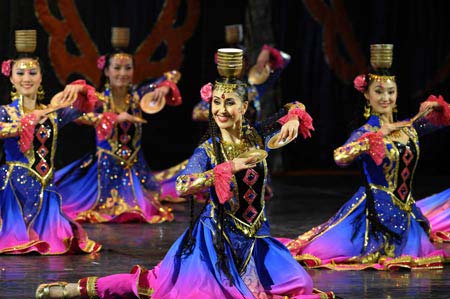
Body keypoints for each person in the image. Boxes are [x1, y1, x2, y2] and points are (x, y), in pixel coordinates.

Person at [35, 48, 335, 299]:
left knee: (302, 285)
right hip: (215, 242)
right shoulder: (208, 150)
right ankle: (77, 289)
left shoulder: (255, 137)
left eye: (229, 102)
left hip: (257, 239)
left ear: (244, 107)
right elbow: (182, 186)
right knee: (160, 286)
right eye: (216, 102)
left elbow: (293, 106)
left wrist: (295, 117)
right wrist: (226, 169)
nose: (222, 110)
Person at [282, 44, 450, 270]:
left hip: (406, 210)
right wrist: (375, 137)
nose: (386, 97)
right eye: (379, 92)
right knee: (330, 249)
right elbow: (340, 157)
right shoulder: (365, 133)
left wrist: (437, 108)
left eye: (391, 91)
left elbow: (436, 120)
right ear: (367, 96)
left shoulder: (409, 128)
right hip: (374, 211)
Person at [54, 27, 182, 223]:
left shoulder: (139, 97)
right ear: (106, 71)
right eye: (117, 68)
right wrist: (112, 118)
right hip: (105, 170)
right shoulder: (98, 100)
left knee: (148, 205)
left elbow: (173, 74)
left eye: (128, 68)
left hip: (135, 168)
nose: (123, 73)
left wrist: (164, 88)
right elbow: (75, 116)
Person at [0, 29, 101, 254]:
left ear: (41, 77)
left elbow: (96, 102)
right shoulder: (5, 112)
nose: (27, 79)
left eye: (33, 73)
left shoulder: (53, 112)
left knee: (60, 241)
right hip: (13, 192)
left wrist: (80, 87)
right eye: (21, 73)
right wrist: (27, 122)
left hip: (46, 192)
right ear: (11, 77)